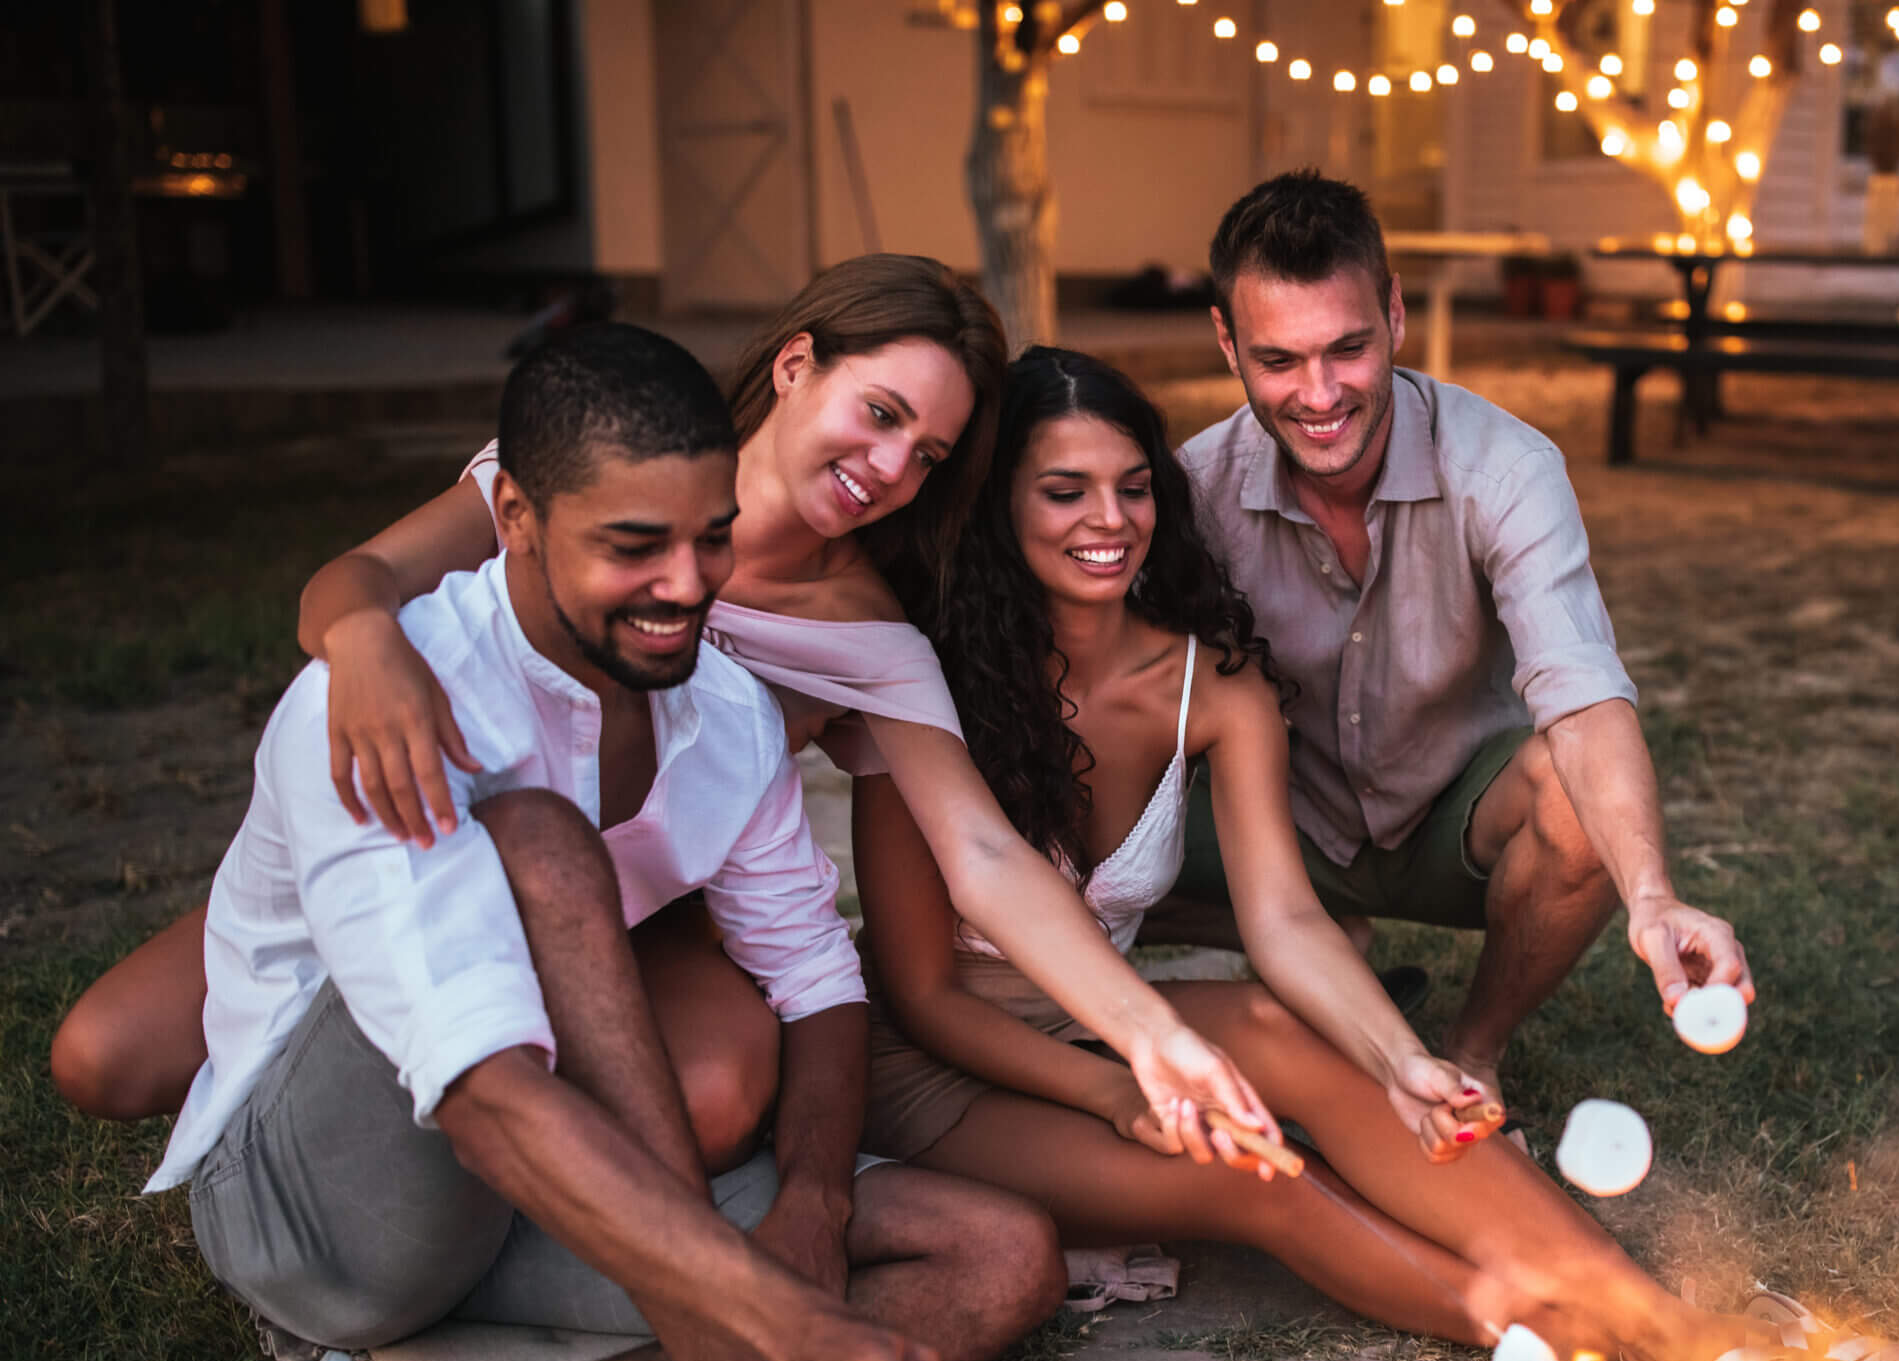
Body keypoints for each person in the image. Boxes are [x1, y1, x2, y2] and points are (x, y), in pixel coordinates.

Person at [150, 324, 1059, 1361]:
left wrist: (812, 1201)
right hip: (324, 1207)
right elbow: (490, 1099)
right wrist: (798, 1331)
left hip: (543, 1188)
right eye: (635, 544)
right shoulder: (381, 698)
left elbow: (818, 977)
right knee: (544, 845)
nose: (687, 585)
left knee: (999, 1262)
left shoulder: (725, 710)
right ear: (513, 515)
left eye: (711, 536)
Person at [849, 345, 1899, 1361]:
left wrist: (1397, 1057)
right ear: (1001, 508)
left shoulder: (1206, 681)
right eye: (1064, 491)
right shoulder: (925, 679)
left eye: (1133, 487)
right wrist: (1114, 1089)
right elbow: (922, 995)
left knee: (1304, 1038)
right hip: (941, 1077)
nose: (1110, 520)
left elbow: (1284, 920)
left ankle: (1679, 1331)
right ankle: (1615, 1346)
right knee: (1257, 1174)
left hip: (1115, 1023)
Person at [53, 253, 1279, 1172]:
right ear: (799, 363)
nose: (891, 468)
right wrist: (365, 642)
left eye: (930, 456)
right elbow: (352, 578)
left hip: (638, 906)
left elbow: (982, 855)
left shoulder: (869, 628)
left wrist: (1143, 1033)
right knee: (100, 1058)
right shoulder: (612, 464)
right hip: (421, 826)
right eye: (882, 415)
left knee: (715, 1100)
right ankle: (384, 1042)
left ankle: (488, 1156)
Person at [1155, 171, 1755, 1114]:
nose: (1319, 394)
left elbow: (1586, 697)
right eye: (1278, 360)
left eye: (1348, 348)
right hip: (1275, 828)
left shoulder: (1507, 468)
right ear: (1226, 340)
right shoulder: (1193, 489)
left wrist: (1651, 893)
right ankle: (1312, 939)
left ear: (1393, 312)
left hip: (1451, 822)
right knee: (1067, 822)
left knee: (1575, 795)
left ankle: (1476, 1049)